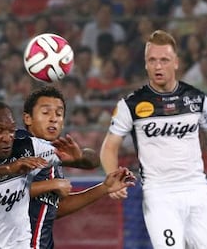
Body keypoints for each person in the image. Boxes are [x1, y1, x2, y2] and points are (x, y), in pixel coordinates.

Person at [99, 30, 207, 249]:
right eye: (152, 60)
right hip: (159, 194)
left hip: (197, 189)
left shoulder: (197, 98)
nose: (158, 66)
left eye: (164, 60)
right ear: (146, 64)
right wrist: (111, 178)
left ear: (176, 62)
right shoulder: (130, 105)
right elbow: (109, 146)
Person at [0, 100, 134, 249]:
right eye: (0, 131)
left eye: (11, 131)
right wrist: (9, 169)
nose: (8, 138)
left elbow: (92, 161)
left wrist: (79, 158)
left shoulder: (28, 147)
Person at [22, 86, 136, 249]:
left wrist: (103, 187)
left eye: (59, 114)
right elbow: (2, 190)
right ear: (28, 118)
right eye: (46, 113)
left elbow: (54, 209)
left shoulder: (54, 153)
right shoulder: (16, 145)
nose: (53, 118)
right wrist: (52, 184)